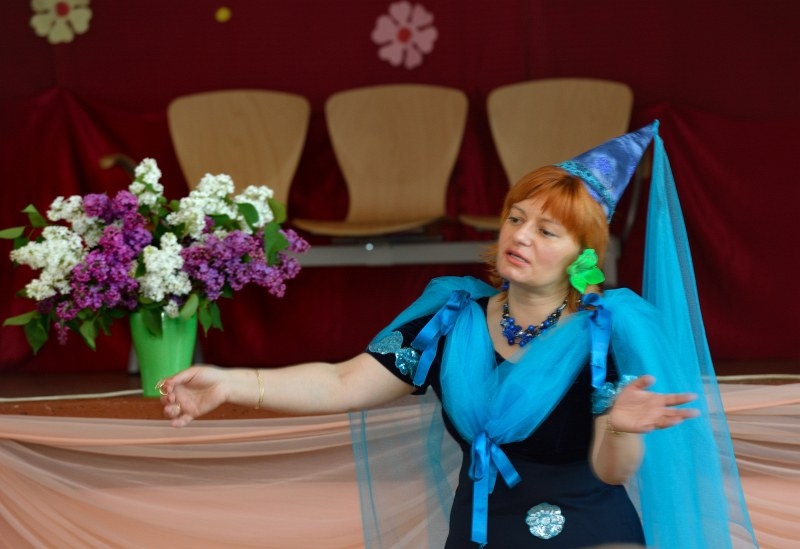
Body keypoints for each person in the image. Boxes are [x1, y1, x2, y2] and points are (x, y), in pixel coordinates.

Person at [158, 121, 757, 548]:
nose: (521, 236)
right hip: (480, 534)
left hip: (588, 534)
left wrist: (623, 426)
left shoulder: (603, 334)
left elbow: (612, 470)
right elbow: (341, 382)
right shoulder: (449, 317)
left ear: (583, 256)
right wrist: (231, 383)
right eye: (516, 218)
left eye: (548, 231)